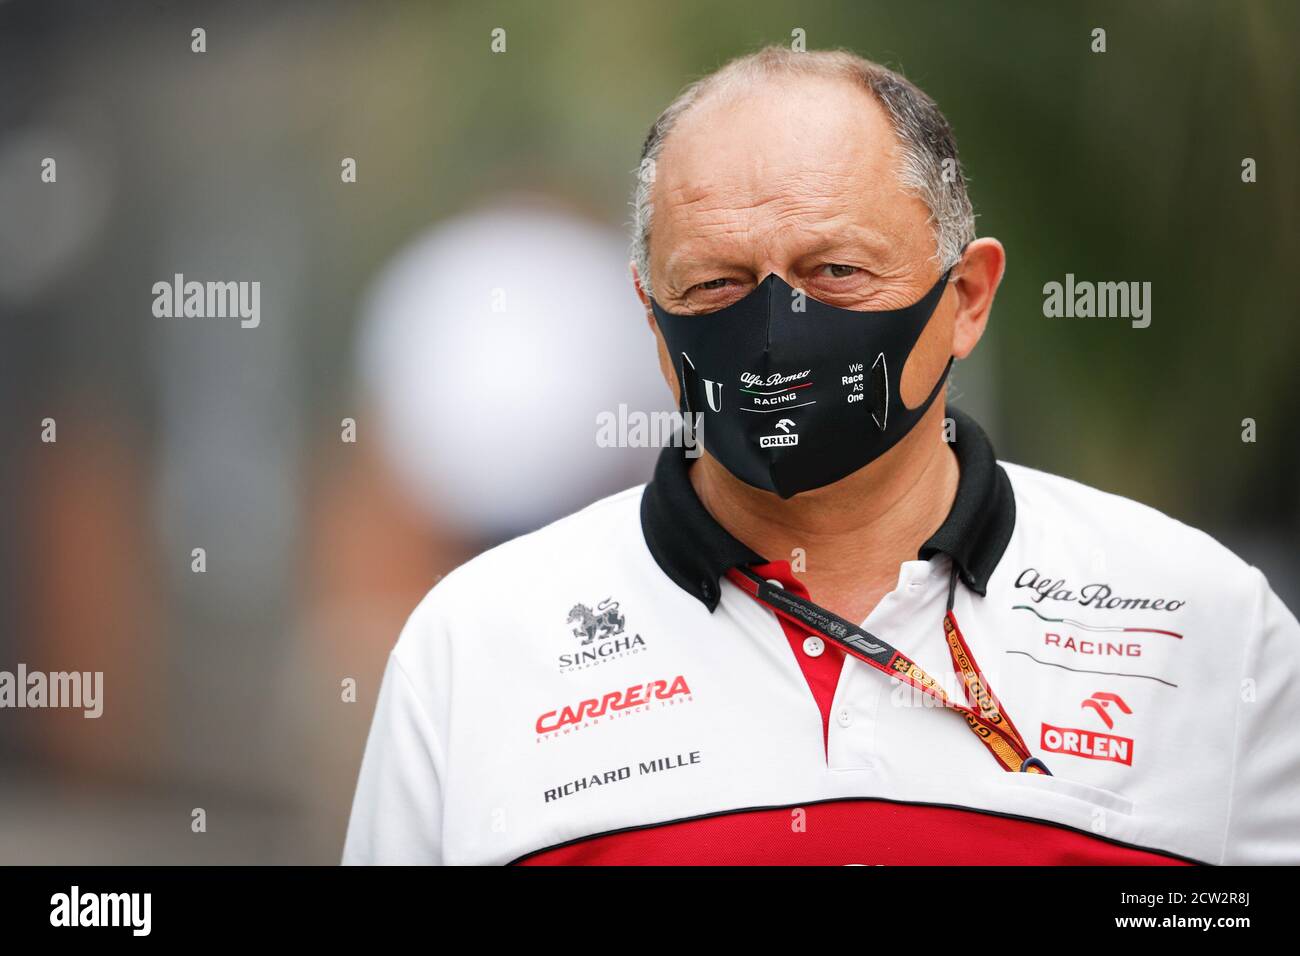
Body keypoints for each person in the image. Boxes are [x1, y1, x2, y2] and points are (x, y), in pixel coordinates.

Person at [343, 47, 1300, 865]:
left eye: (834, 271)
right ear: (651, 319)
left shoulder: (1202, 628)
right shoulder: (476, 649)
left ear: (966, 298)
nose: (774, 331)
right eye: (716, 283)